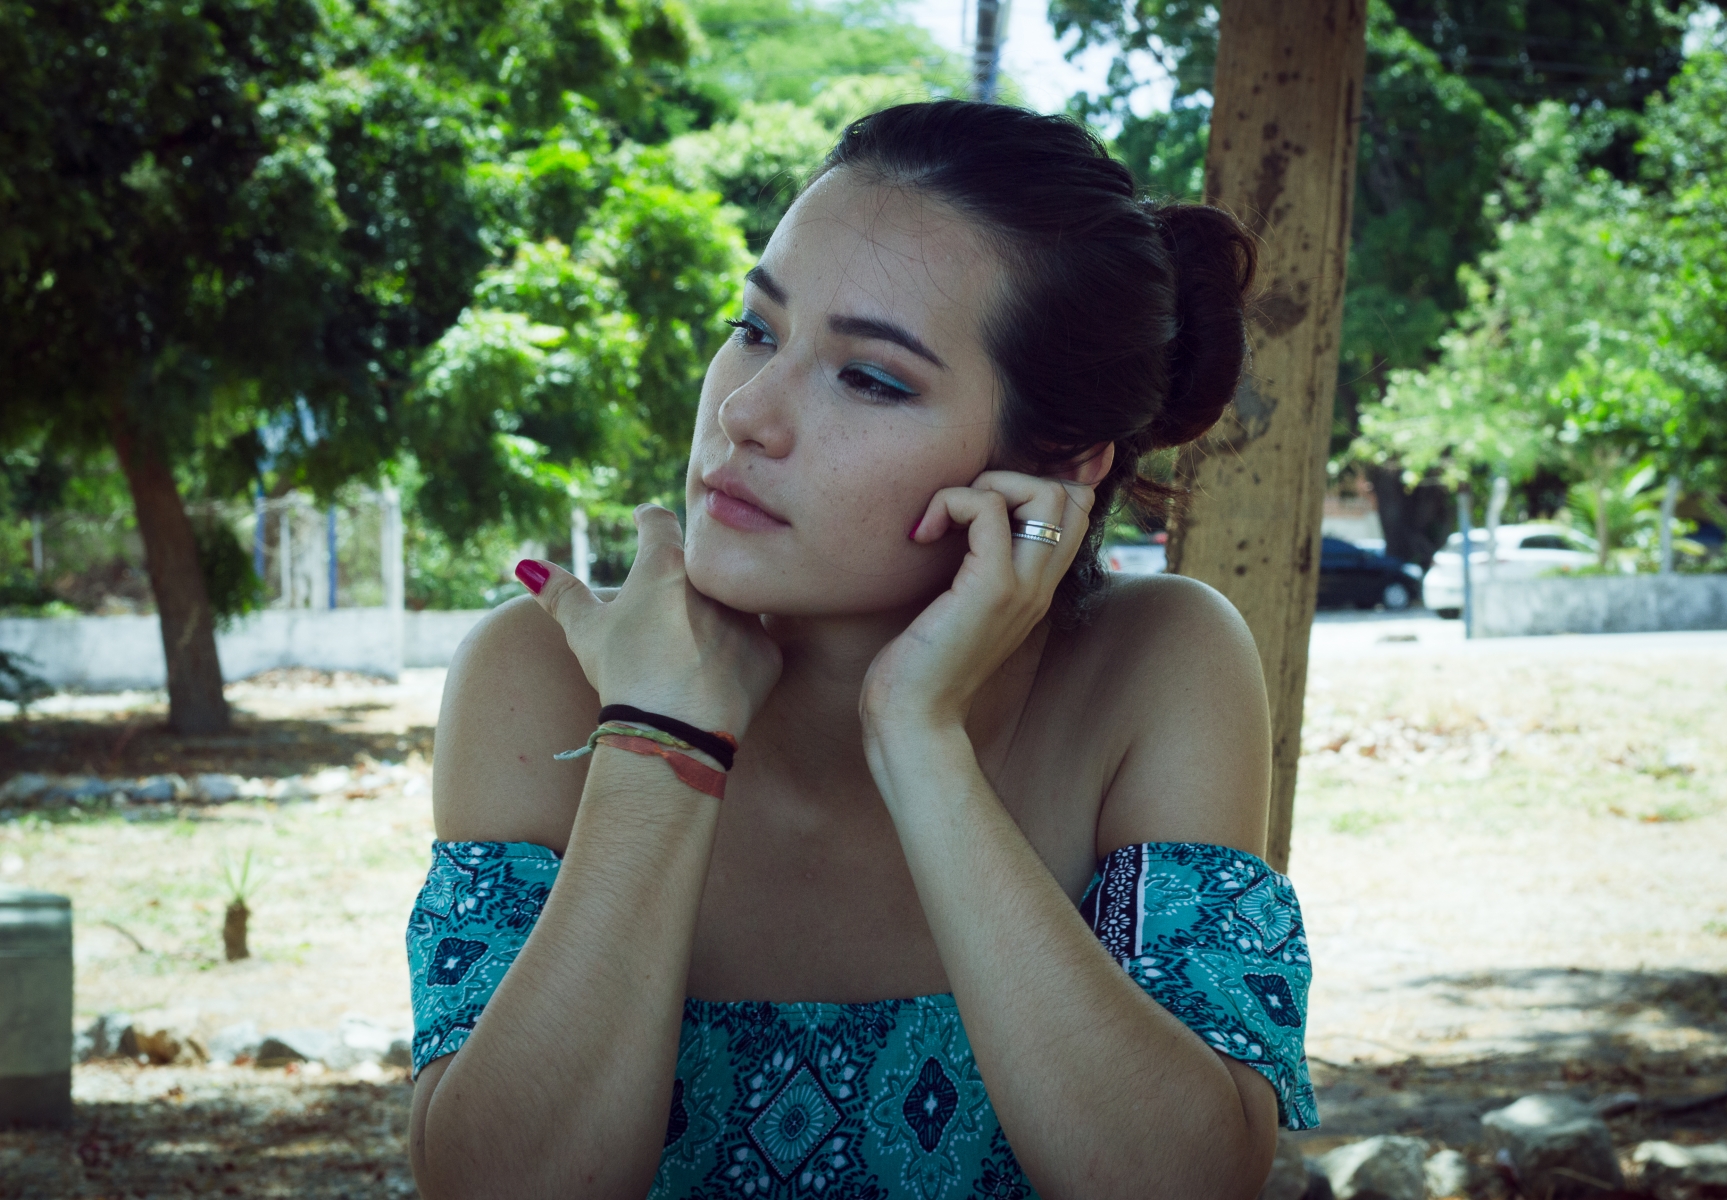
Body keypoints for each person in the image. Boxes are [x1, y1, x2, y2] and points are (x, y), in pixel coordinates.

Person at [404, 100, 1316, 1200]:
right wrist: (658, 745)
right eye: (756, 328)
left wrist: (920, 739)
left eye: (871, 378)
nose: (747, 413)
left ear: (1060, 464)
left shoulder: (1152, 664)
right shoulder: (543, 672)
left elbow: (1183, 1181)